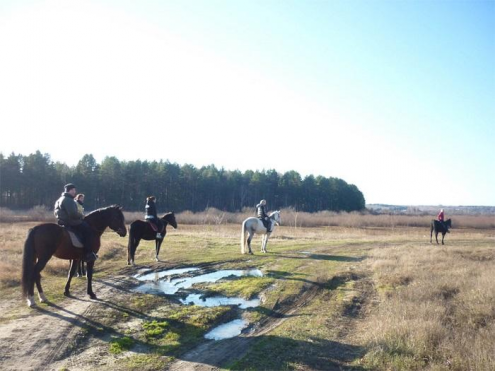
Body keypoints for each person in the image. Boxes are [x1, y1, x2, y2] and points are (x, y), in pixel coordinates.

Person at [54, 184, 96, 262]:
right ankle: (88, 253)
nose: (75, 192)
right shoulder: (68, 200)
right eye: (73, 190)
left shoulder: (60, 199)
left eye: (74, 190)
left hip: (62, 221)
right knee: (88, 230)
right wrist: (82, 216)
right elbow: (73, 214)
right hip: (71, 222)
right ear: (69, 190)